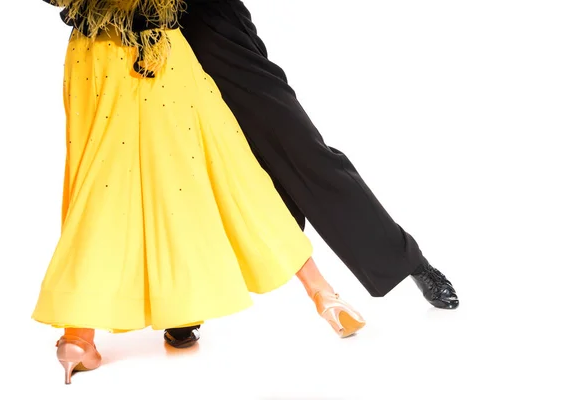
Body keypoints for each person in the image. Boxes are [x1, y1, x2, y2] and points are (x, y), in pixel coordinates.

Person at [35, 0, 365, 385]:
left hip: (95, 55)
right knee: (231, 171)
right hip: (162, 52)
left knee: (99, 184)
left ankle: (77, 338)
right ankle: (323, 294)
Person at [157, 0, 460, 348]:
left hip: (211, 26)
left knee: (303, 153)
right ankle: (187, 306)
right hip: (146, 40)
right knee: (184, 174)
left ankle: (410, 261)